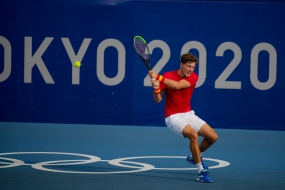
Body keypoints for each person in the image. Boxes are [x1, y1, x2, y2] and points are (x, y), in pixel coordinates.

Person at [148, 52, 218, 183]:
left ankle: (194, 156)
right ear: (181, 64)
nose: (191, 70)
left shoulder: (193, 77)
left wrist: (158, 77)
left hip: (188, 114)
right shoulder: (168, 76)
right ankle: (201, 170)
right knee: (193, 135)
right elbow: (157, 100)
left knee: (213, 137)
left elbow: (178, 85)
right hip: (173, 117)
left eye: (193, 67)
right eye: (189, 66)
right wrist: (156, 89)